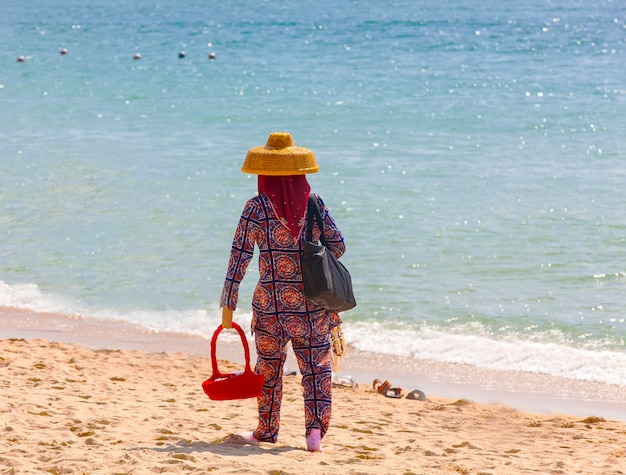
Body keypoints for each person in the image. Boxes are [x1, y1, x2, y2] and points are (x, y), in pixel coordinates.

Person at [220, 132, 346, 452]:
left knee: (270, 373)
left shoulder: (256, 207)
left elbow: (239, 257)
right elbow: (340, 246)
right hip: (313, 308)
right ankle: (314, 433)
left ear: (264, 173)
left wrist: (228, 304)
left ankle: (266, 431)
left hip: (270, 308)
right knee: (316, 372)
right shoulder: (315, 203)